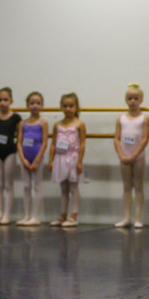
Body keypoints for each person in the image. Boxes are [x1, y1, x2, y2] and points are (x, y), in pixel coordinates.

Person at [113, 83, 149, 229]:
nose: (133, 101)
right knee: (127, 187)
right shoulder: (121, 119)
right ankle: (126, 217)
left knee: (138, 186)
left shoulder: (144, 118)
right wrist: (122, 154)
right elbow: (116, 138)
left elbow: (145, 138)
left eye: (136, 98)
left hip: (138, 157)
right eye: (130, 98)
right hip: (124, 156)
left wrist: (135, 154)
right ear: (126, 100)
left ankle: (137, 218)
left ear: (141, 100)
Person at [48, 93, 87, 228]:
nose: (68, 109)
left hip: (73, 157)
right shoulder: (57, 125)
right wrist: (51, 160)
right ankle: (63, 215)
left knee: (73, 187)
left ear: (76, 107)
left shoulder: (79, 124)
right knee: (63, 188)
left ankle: (73, 215)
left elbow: (82, 144)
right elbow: (53, 144)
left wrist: (80, 161)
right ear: (60, 107)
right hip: (60, 157)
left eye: (71, 106)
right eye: (65, 106)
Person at [0, 87, 22, 224]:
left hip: (10, 152)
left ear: (11, 101)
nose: (2, 102)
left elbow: (19, 135)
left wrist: (17, 148)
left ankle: (7, 214)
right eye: (0, 100)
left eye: (5, 100)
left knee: (8, 184)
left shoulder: (16, 117)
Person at [16, 91, 49, 227]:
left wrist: (36, 160)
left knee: (37, 186)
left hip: (37, 158)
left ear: (42, 105)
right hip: (25, 158)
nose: (35, 106)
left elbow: (44, 142)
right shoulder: (22, 123)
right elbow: (19, 142)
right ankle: (26, 215)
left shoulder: (43, 122)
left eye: (38, 103)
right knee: (26, 186)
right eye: (32, 103)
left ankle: (35, 216)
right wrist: (23, 159)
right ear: (27, 105)